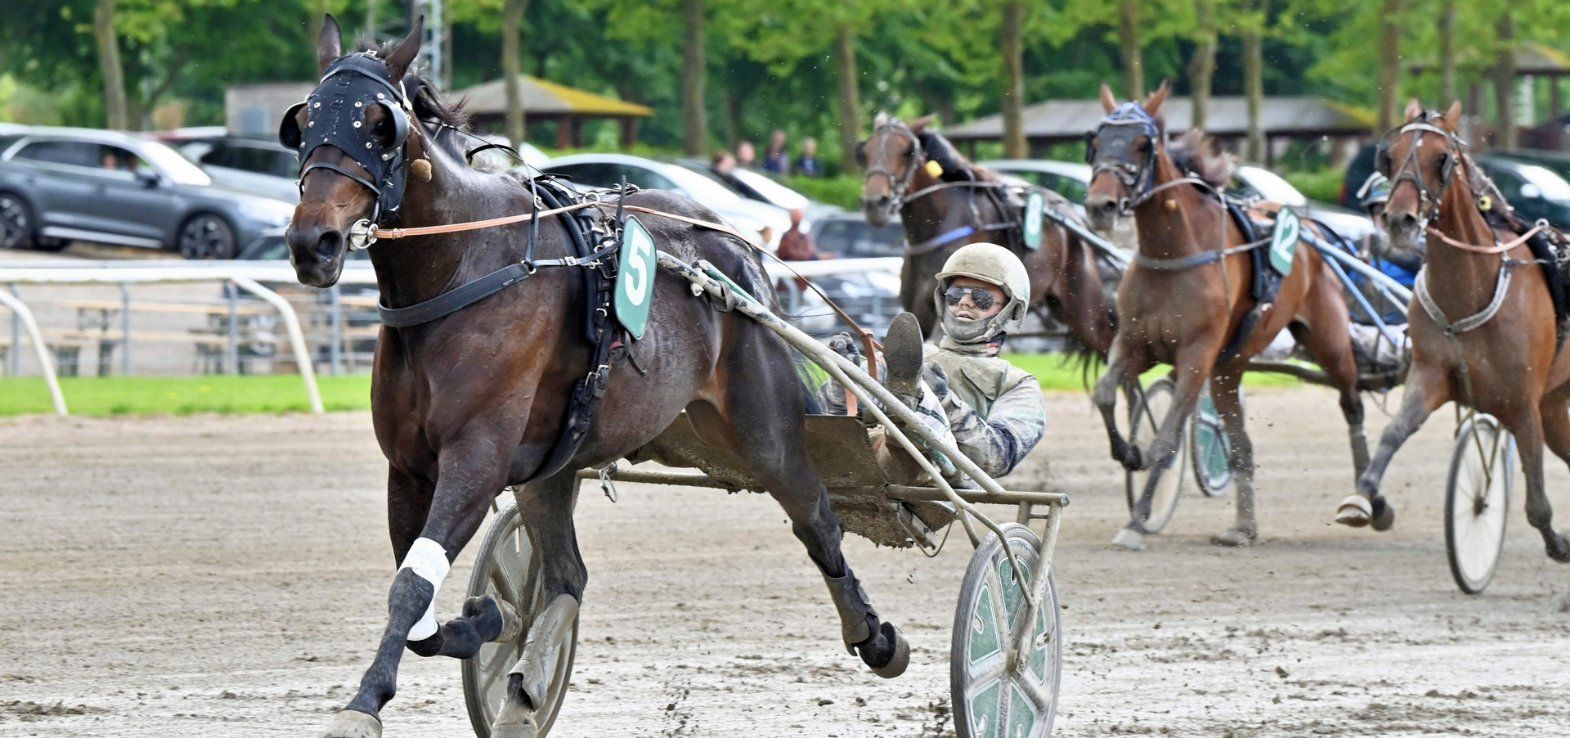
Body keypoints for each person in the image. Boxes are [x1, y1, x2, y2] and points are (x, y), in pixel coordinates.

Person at [815, 242, 1046, 482]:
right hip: (864, 463)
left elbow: (996, 457)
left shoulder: (1017, 384)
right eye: (956, 295)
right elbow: (833, 423)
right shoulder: (909, 354)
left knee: (911, 418)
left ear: (1011, 311)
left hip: (940, 479)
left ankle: (917, 406)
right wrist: (845, 382)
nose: (965, 302)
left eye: (981, 298)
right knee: (845, 394)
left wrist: (942, 400)